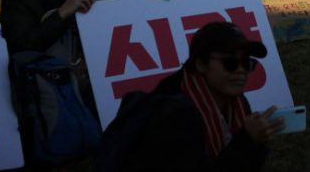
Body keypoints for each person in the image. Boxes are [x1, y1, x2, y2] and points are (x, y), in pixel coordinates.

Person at [99, 21, 283, 170]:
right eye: (230, 63)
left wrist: (256, 143)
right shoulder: (174, 115)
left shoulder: (237, 102)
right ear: (201, 64)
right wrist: (247, 140)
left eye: (246, 63)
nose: (241, 71)